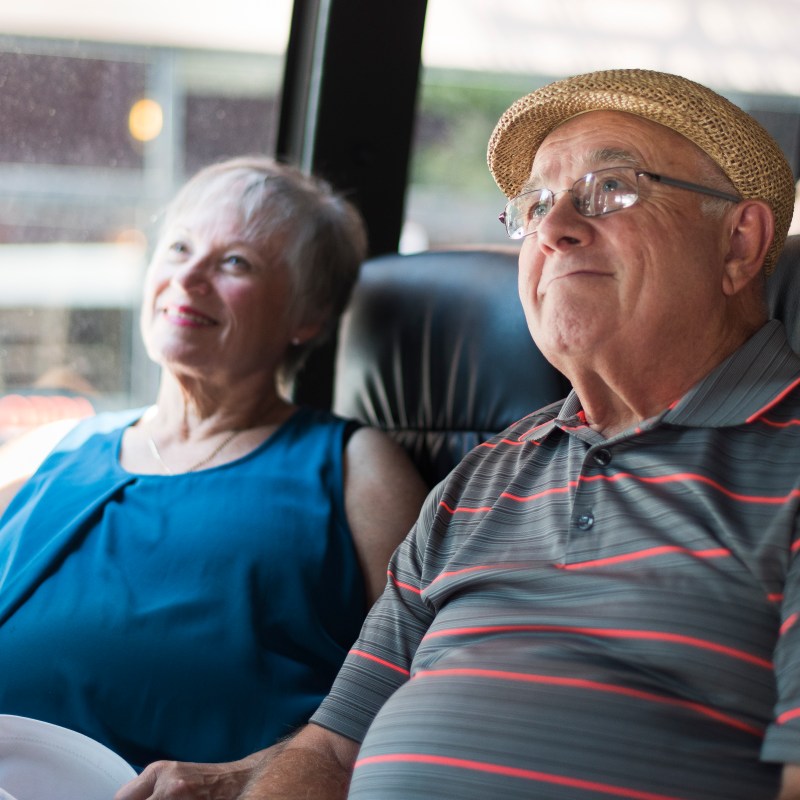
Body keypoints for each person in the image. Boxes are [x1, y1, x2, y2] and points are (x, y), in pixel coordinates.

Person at [116, 68, 800, 800]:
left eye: (611, 190)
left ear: (739, 242)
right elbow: (333, 750)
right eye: (535, 204)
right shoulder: (483, 475)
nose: (557, 226)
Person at [0, 156, 428, 770]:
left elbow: (417, 688)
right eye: (178, 247)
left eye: (235, 262)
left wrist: (250, 779)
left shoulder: (353, 467)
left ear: (305, 316)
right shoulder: (48, 452)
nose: (190, 276)